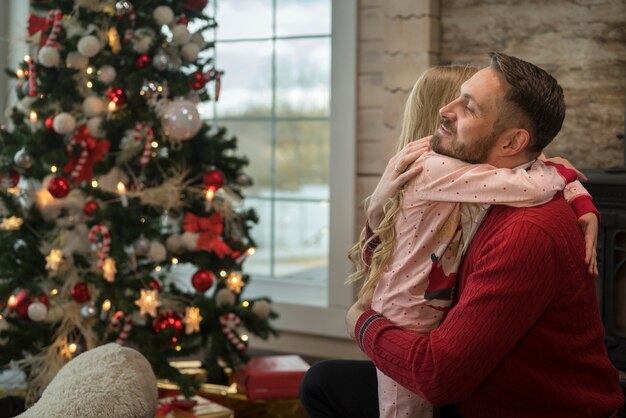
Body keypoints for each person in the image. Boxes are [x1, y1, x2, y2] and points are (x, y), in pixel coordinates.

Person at [301, 52, 625, 417]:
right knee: (322, 382)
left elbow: (438, 376)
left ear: (511, 143)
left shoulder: (524, 230)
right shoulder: (473, 189)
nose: (446, 112)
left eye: (468, 107)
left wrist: (361, 323)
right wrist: (376, 212)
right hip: (473, 381)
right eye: (453, 99)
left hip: (517, 403)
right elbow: (403, 258)